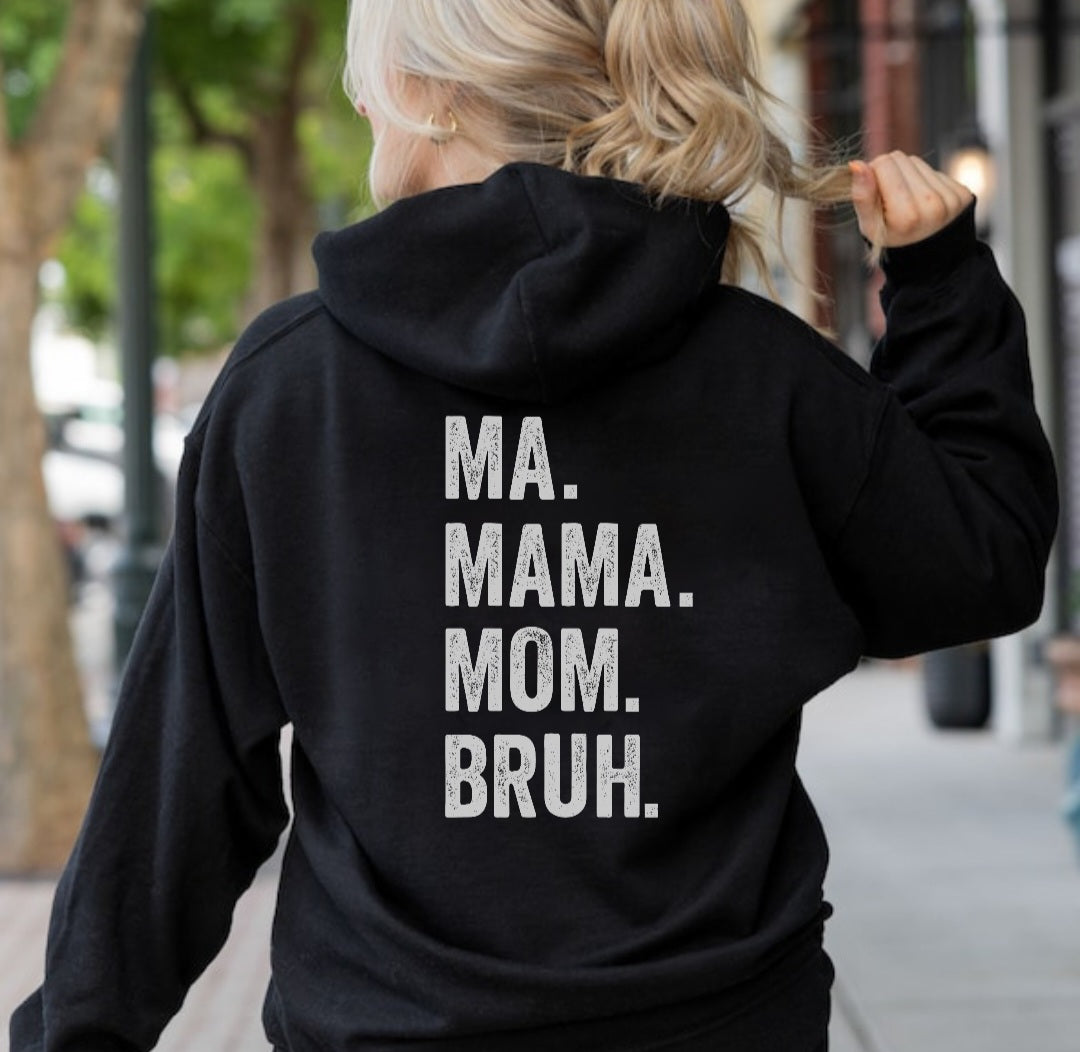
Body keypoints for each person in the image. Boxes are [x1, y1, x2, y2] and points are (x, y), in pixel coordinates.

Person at [11, 1, 1058, 1050]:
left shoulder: (293, 389)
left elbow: (181, 785)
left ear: (430, 95)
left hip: (390, 1027)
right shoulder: (766, 374)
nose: (359, 103)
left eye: (364, 76)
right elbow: (978, 564)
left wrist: (78, 1031)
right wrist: (940, 288)